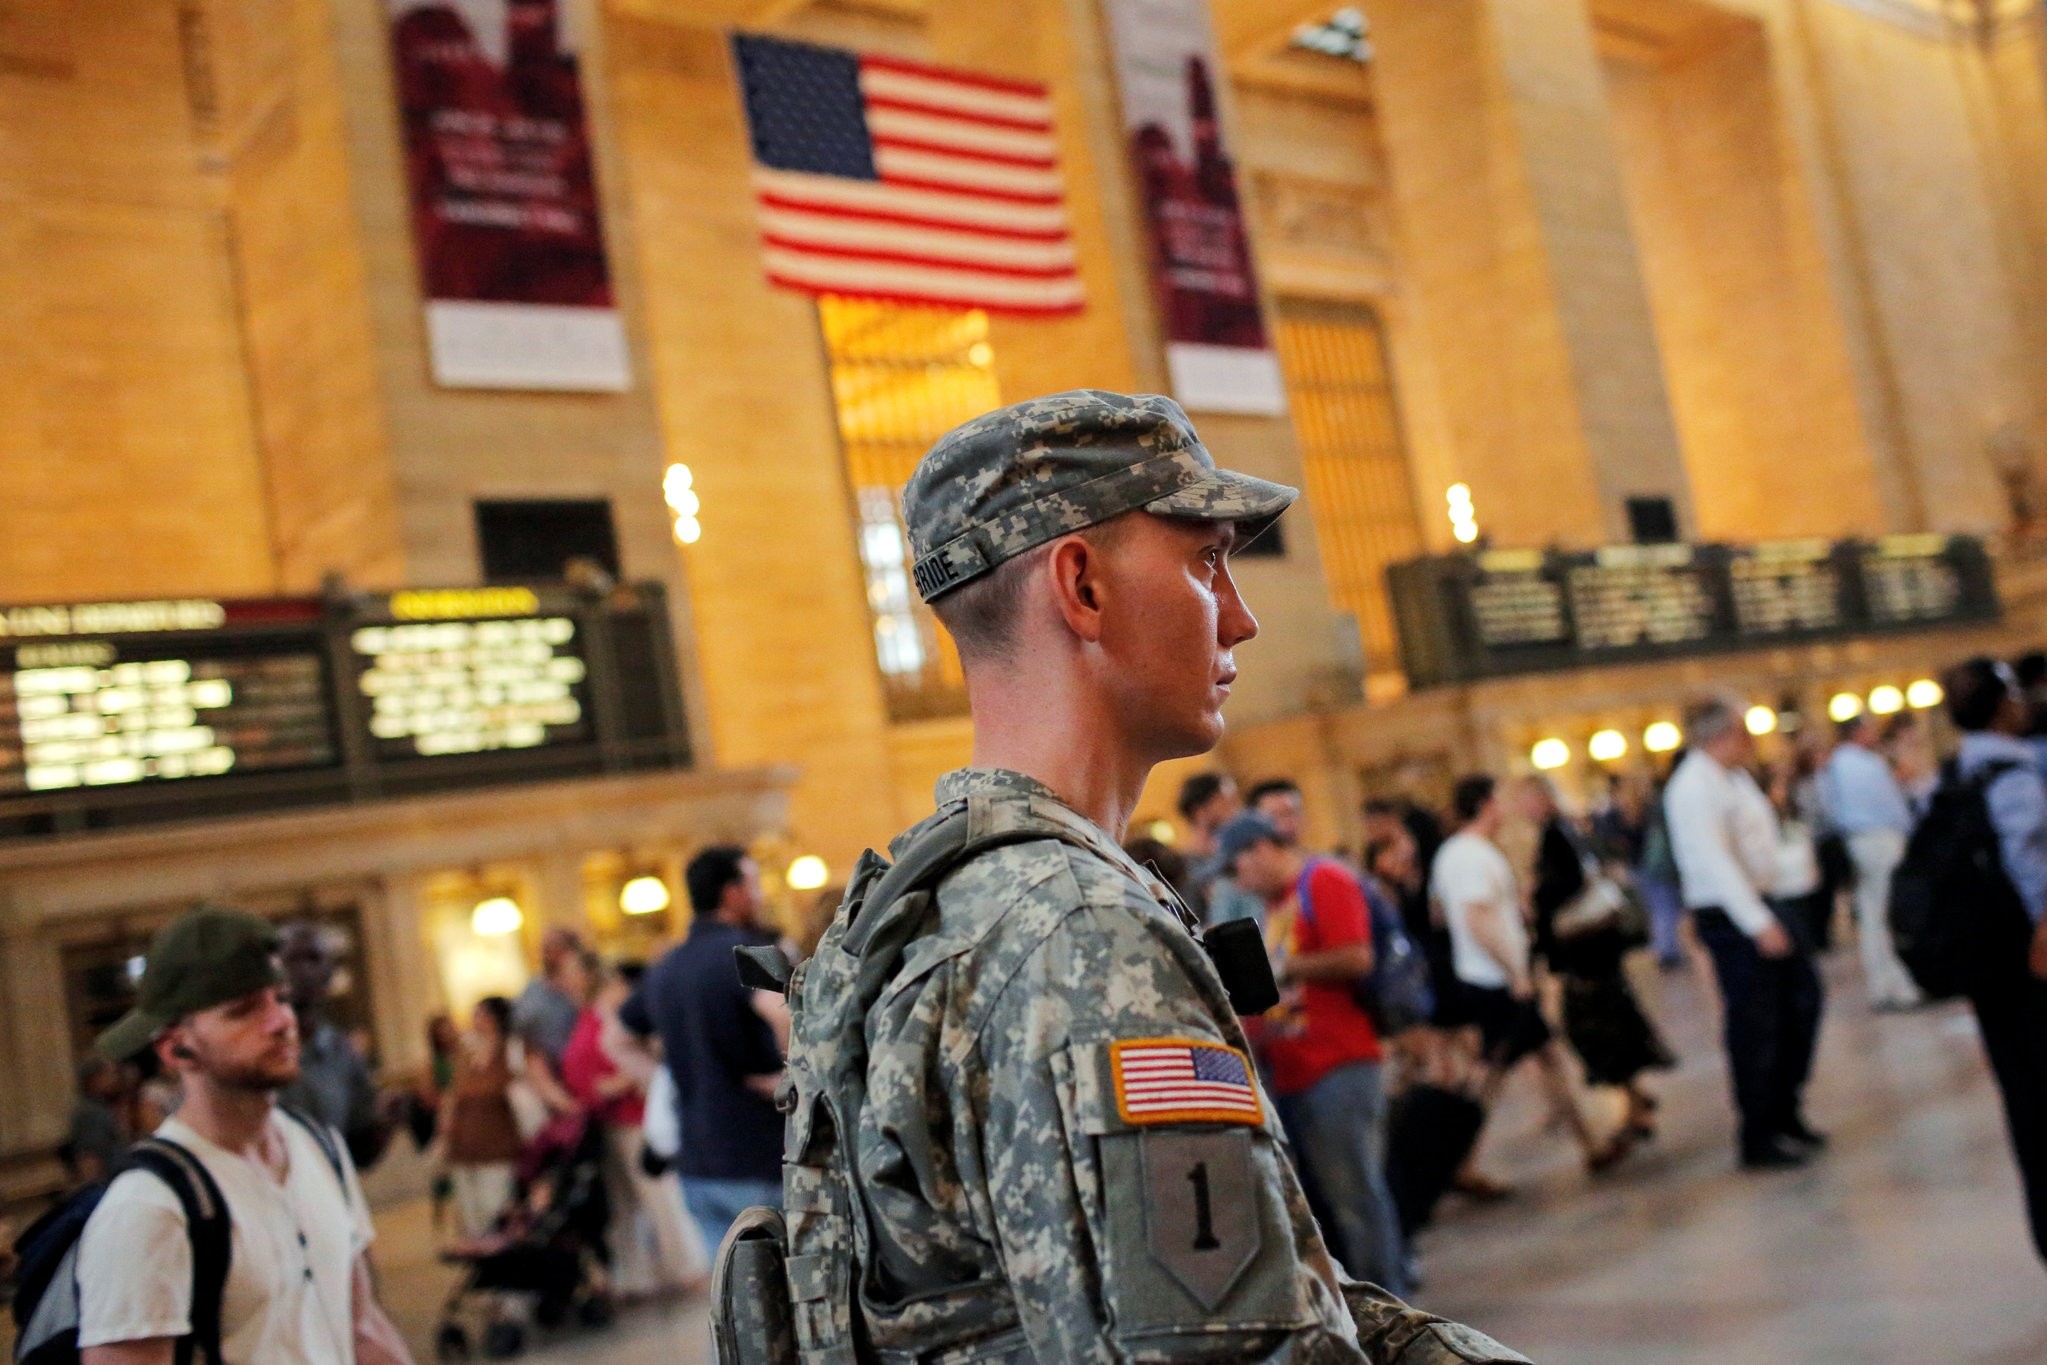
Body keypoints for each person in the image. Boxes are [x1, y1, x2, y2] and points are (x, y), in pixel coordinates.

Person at [761, 390, 1524, 1364]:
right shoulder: (1077, 927)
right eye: (1206, 561)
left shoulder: (924, 902)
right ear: (1080, 586)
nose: (1241, 619)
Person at [76, 907, 413, 1365]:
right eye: (243, 1011)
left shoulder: (320, 1146)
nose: (281, 1021)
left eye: (280, 998)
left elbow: (362, 1327)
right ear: (176, 1049)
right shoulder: (148, 1209)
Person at [1220, 809, 1409, 1296]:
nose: (1236, 879)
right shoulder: (1278, 902)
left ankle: (1391, 1305)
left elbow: (1355, 955)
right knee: (1335, 1199)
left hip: (1340, 1063)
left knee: (1357, 1195)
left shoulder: (1323, 879)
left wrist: (1279, 967)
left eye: (1236, 866)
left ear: (1261, 850)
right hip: (1298, 1069)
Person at [1433, 775, 1629, 1178]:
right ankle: (1459, 1161)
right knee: (1492, 1074)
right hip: (1496, 980)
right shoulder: (1472, 854)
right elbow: (1476, 919)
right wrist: (1514, 971)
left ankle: (1589, 1144)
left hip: (1488, 975)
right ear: (1487, 805)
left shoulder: (1455, 853)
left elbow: (1443, 912)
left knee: (1542, 1059)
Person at [1665, 694, 1826, 1170]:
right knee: (1756, 1021)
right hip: (1733, 914)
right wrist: (1757, 922)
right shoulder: (1692, 786)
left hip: (1764, 899)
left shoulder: (1732, 777)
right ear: (1725, 735)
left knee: (1800, 1003)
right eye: (1745, 731)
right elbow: (1713, 862)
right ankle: (1758, 1130)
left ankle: (1785, 1108)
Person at [620, 844, 789, 1253]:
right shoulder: (752, 950)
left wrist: (668, 1071)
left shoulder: (666, 967)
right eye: (754, 883)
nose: (760, 895)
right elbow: (783, 1011)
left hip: (696, 1160)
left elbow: (619, 1036)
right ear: (731, 893)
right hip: (759, 1151)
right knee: (788, 1292)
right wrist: (793, 1077)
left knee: (734, 1297)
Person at [1940, 658, 2047, 1265]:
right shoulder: (2012, 772)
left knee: (2026, 1103)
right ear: (2002, 705)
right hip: (2031, 960)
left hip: (1988, 965)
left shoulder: (1956, 770)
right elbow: (2032, 868)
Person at [1521, 778, 1671, 1141]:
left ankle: (1635, 1106)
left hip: (1587, 948)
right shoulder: (1569, 830)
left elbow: (1565, 885)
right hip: (1595, 946)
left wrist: (1536, 896)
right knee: (1607, 1023)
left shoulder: (1556, 835)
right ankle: (1635, 1099)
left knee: (1598, 1027)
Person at [561, 958, 705, 1298]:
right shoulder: (587, 1013)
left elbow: (650, 1049)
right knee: (625, 1205)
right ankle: (636, 1276)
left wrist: (621, 1082)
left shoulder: (617, 1004)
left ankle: (687, 1266)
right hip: (606, 1122)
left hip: (633, 1116)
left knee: (659, 1196)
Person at [1822, 713, 1923, 1009]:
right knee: (1889, 914)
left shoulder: (1835, 765)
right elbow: (1890, 804)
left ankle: (1882, 986)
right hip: (1880, 839)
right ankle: (1900, 985)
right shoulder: (1866, 764)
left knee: (1871, 916)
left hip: (1857, 842)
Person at [276, 920, 391, 1168]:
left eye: (314, 959)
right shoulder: (255, 1048)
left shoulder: (342, 1052)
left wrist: (384, 1123)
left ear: (328, 974)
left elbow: (359, 1151)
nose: (304, 971)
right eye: (293, 960)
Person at [442, 995, 525, 1238]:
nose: (477, 1021)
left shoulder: (511, 1051)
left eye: (482, 1015)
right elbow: (453, 1094)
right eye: (475, 1015)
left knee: (494, 1212)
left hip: (497, 1145)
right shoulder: (465, 1055)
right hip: (463, 1148)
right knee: (472, 1220)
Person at [65, 1056, 130, 1187]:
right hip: (107, 1185)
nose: (115, 1080)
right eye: (110, 1074)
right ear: (94, 1080)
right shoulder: (91, 1114)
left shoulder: (104, 1109)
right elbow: (89, 1159)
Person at [1248, 776, 1308, 848]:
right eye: (1275, 816)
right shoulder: (1237, 858)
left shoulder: (1319, 858)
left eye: (1292, 813)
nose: (1287, 823)